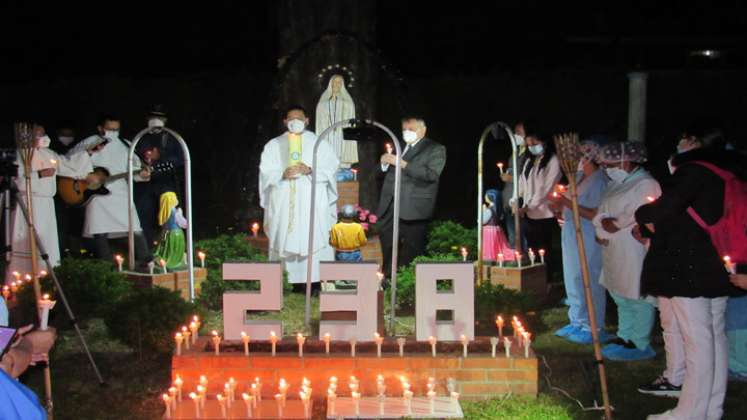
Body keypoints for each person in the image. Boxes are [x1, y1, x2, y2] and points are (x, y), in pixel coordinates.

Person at [635, 129, 747, 420]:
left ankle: (690, 412)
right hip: (718, 263)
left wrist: (642, 214)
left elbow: (662, 210)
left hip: (688, 266)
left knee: (697, 340)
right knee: (713, 336)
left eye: (685, 138)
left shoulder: (693, 172)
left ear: (695, 143)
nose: (680, 144)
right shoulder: (727, 170)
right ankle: (711, 407)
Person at [593, 141, 661, 361]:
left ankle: (639, 341)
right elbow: (602, 211)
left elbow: (641, 211)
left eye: (610, 163)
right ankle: (624, 336)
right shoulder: (614, 184)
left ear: (626, 160)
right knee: (619, 292)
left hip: (633, 247)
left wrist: (618, 222)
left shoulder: (646, 184)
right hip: (613, 247)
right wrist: (601, 229)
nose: (606, 168)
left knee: (635, 292)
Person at [259, 105, 338, 286]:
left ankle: (315, 280)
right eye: (291, 119)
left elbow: (331, 169)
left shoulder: (320, 143)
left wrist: (310, 170)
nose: (295, 122)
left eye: (299, 118)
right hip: (284, 199)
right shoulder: (273, 145)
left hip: (311, 200)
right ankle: (285, 281)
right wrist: (281, 173)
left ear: (307, 121)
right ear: (285, 121)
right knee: (285, 234)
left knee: (313, 235)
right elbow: (265, 172)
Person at [6, 125, 98, 279]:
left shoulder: (49, 154)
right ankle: (22, 278)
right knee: (27, 241)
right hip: (28, 203)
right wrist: (39, 174)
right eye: (39, 135)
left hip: (46, 206)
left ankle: (46, 277)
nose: (44, 138)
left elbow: (68, 166)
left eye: (44, 134)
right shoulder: (20, 155)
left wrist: (87, 152)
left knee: (46, 241)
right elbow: (16, 181)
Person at [69, 115, 153, 267]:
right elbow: (71, 160)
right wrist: (87, 175)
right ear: (101, 128)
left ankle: (146, 262)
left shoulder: (126, 144)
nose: (113, 132)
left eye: (116, 129)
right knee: (99, 228)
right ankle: (106, 265)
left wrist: (141, 174)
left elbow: (134, 168)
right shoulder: (91, 142)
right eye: (109, 129)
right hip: (97, 193)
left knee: (134, 226)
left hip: (121, 193)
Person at [548, 139, 609, 344]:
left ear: (588, 157)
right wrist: (559, 208)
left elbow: (595, 213)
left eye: (579, 156)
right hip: (571, 234)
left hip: (589, 235)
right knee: (573, 277)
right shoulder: (579, 178)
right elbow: (568, 204)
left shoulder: (600, 181)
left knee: (588, 278)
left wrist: (566, 203)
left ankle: (593, 325)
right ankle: (577, 320)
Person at [376, 116, 446, 276]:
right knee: (388, 245)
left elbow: (431, 175)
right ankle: (387, 279)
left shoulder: (435, 148)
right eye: (404, 130)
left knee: (411, 250)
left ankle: (407, 283)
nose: (407, 133)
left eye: (411, 129)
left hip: (413, 208)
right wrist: (384, 163)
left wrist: (404, 164)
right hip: (390, 206)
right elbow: (378, 175)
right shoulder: (399, 146)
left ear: (423, 130)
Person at [134, 105, 181, 246]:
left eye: (159, 118)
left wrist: (159, 163)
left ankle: (170, 246)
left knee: (169, 213)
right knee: (144, 216)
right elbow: (133, 157)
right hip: (144, 185)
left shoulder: (170, 138)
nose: (156, 121)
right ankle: (147, 250)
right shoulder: (140, 138)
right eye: (153, 118)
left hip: (165, 183)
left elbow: (178, 160)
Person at [516, 130, 561, 276]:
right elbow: (522, 182)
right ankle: (534, 279)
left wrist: (529, 207)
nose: (532, 147)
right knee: (532, 249)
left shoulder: (553, 161)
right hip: (528, 213)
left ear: (544, 142)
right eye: (529, 144)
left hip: (544, 213)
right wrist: (515, 200)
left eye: (535, 143)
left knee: (544, 249)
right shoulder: (529, 161)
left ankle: (546, 280)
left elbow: (545, 188)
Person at [315, 75, 358, 177]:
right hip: (327, 132)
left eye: (340, 82)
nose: (337, 84)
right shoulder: (323, 101)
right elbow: (320, 117)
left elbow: (350, 117)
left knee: (341, 150)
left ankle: (341, 168)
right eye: (335, 82)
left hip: (341, 132)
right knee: (327, 150)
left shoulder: (347, 101)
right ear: (331, 83)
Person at [501, 121, 528, 251]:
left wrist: (512, 178)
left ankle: (523, 261)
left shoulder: (529, 155)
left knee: (520, 236)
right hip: (508, 197)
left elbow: (527, 177)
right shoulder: (515, 151)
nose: (516, 135)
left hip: (520, 200)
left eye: (519, 133)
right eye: (515, 133)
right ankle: (515, 258)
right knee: (512, 236)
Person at [153, 192, 188, 270]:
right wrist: (181, 214)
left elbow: (164, 227)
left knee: (168, 248)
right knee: (175, 249)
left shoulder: (164, 213)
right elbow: (184, 224)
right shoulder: (175, 212)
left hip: (168, 233)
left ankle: (165, 261)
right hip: (176, 233)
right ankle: (175, 263)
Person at [481, 189, 514, 261]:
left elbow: (482, 221)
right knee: (497, 245)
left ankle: (489, 258)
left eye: (486, 196)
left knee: (490, 246)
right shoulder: (499, 209)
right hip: (497, 229)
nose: (485, 197)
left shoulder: (489, 210)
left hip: (489, 231)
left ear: (490, 198)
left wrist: (483, 211)